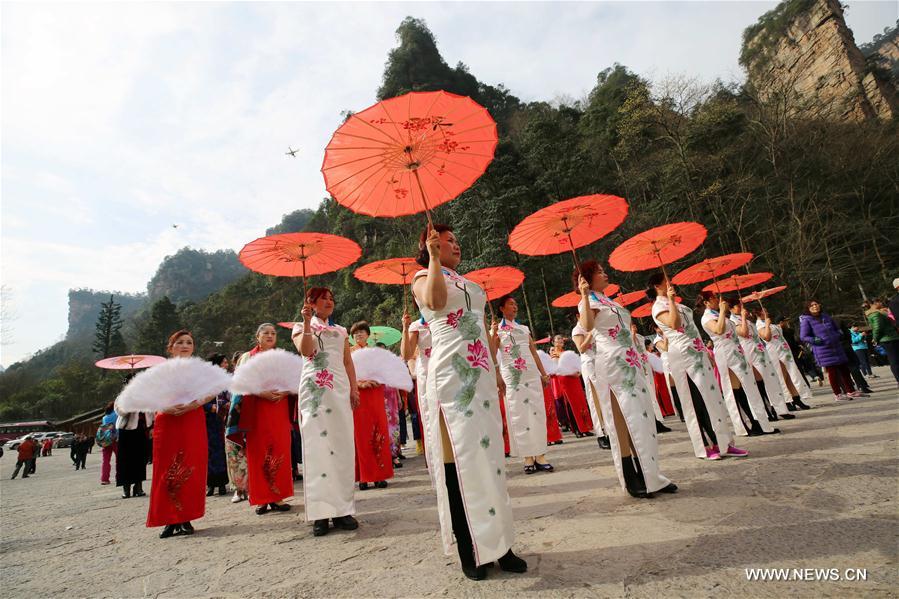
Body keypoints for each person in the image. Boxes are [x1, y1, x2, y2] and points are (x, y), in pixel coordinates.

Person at [412, 224, 527, 580]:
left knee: (490, 456)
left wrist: (494, 372)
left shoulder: (466, 280)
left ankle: (501, 544)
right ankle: (470, 549)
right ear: (430, 245)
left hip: (479, 371)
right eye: (447, 241)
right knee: (460, 458)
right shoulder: (421, 276)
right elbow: (434, 303)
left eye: (456, 239)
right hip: (451, 372)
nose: (454, 244)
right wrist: (432, 258)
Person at [576, 262, 678, 499]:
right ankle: (631, 476)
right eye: (599, 272)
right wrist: (583, 295)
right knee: (623, 419)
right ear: (588, 279)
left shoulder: (608, 300)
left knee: (641, 417)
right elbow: (587, 326)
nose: (605, 273)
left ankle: (651, 474)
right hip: (612, 363)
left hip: (629, 360)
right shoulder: (588, 301)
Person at [649, 273, 748, 460]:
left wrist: (704, 351)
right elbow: (675, 324)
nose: (670, 282)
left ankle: (725, 442)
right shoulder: (658, 307)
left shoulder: (677, 304)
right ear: (656, 286)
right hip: (683, 356)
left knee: (713, 398)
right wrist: (670, 300)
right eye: (666, 280)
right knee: (696, 401)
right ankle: (705, 445)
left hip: (698, 352)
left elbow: (692, 329)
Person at [294, 288, 360, 537]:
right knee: (317, 447)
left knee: (342, 447)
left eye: (332, 298)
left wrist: (354, 388)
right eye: (324, 298)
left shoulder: (341, 331)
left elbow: (347, 362)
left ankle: (343, 509)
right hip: (315, 391)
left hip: (340, 389)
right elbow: (306, 350)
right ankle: (320, 513)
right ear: (311, 303)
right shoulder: (300, 327)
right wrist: (306, 322)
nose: (330, 302)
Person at [143, 330, 212, 538]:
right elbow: (148, 394)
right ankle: (168, 519)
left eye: (189, 342)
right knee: (167, 468)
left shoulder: (200, 370)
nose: (185, 345)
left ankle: (185, 517)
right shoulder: (159, 370)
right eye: (180, 342)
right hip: (167, 419)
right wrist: (164, 406)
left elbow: (213, 390)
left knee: (191, 466)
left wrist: (194, 404)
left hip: (192, 419)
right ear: (171, 347)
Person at [227, 324, 294, 515]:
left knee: (280, 450)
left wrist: (286, 391)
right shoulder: (247, 357)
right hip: (256, 410)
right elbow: (239, 384)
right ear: (257, 337)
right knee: (259, 453)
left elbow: (294, 380)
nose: (270, 336)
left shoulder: (283, 357)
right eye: (266, 333)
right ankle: (261, 499)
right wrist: (261, 392)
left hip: (279, 408)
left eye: (273, 333)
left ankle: (278, 497)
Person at [699, 293, 778, 437]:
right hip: (725, 352)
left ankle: (757, 422)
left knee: (748, 388)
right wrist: (723, 312)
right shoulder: (707, 317)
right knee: (733, 390)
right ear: (706, 302)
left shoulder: (720, 314)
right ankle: (743, 425)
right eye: (714, 298)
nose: (718, 300)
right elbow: (718, 330)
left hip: (737, 351)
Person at [492, 295, 552, 474]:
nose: (515, 306)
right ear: (501, 308)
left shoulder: (524, 329)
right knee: (518, 414)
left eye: (516, 304)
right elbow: (492, 354)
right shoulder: (497, 331)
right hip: (512, 377)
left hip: (531, 375)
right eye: (511, 304)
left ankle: (540, 455)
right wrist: (491, 334)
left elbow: (533, 353)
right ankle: (527, 457)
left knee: (536, 412)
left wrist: (543, 374)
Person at [349, 321, 394, 490]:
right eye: (355, 334)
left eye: (361, 332)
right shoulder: (349, 353)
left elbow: (386, 372)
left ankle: (379, 475)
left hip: (375, 394)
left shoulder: (376, 353)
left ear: (368, 335)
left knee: (378, 433)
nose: (358, 335)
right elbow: (345, 374)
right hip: (359, 396)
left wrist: (377, 379)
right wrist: (359, 384)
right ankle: (363, 477)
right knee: (361, 436)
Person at [799, 300, 862, 401]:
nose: (815, 306)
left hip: (837, 347)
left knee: (844, 370)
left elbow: (837, 329)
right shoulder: (806, 320)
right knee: (832, 373)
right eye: (812, 305)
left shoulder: (826, 316)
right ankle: (837, 394)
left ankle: (851, 391)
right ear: (808, 308)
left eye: (816, 304)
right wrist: (816, 340)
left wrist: (838, 335)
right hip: (823, 350)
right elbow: (804, 336)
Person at [757, 312, 813, 411]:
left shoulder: (772, 324)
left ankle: (796, 398)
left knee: (791, 375)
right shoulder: (760, 325)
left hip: (784, 350)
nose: (766, 313)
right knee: (781, 377)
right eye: (763, 311)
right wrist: (766, 324)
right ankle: (787, 401)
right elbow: (767, 337)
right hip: (775, 351)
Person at [572, 321, 611, 450]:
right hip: (589, 365)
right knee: (595, 401)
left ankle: (611, 432)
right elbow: (581, 348)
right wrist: (590, 333)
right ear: (579, 316)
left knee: (606, 399)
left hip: (602, 363)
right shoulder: (577, 330)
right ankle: (601, 434)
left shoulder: (597, 325)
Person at [629, 323, 672, 434]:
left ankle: (657, 420)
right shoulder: (628, 337)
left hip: (646, 365)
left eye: (634, 324)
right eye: (631, 325)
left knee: (652, 393)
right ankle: (652, 421)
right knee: (646, 394)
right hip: (637, 366)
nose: (634, 326)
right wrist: (632, 334)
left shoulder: (640, 337)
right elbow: (631, 346)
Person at [401, 313, 431, 458]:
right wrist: (405, 328)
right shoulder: (417, 326)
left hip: (449, 372)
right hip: (424, 378)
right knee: (426, 416)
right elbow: (407, 356)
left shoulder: (448, 319)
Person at [205, 354, 231, 496]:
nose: (226, 365)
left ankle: (221, 483)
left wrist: (226, 404)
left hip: (220, 419)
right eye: (224, 363)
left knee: (220, 451)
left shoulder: (226, 380)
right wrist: (210, 407)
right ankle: (210, 484)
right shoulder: (204, 380)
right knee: (208, 451)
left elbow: (229, 396)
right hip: (208, 420)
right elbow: (200, 399)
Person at [867, 298, 899, 385]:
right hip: (887, 339)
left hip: (892, 337)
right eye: (879, 302)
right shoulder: (875, 314)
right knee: (894, 360)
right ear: (875, 303)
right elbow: (878, 328)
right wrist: (875, 338)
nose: (881, 303)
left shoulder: (881, 312)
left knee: (896, 359)